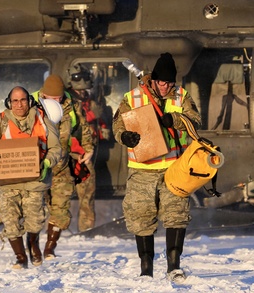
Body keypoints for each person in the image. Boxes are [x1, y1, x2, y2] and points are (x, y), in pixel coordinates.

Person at [112, 52, 201, 281]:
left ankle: (174, 266)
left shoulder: (181, 96)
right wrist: (125, 137)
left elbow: (196, 122)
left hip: (174, 168)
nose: (164, 86)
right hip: (142, 169)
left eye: (169, 82)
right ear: (153, 79)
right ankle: (146, 268)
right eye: (161, 82)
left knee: (176, 215)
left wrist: (175, 120)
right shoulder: (132, 98)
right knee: (140, 218)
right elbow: (117, 126)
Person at [0, 86, 63, 269]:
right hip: (8, 183)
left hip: (34, 182)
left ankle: (33, 244)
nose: (19, 104)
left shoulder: (43, 120)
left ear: (29, 101)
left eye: (23, 100)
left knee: (34, 222)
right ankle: (20, 257)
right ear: (9, 103)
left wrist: (48, 163)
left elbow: (56, 148)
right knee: (10, 221)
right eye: (15, 101)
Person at [33, 74, 88, 259]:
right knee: (32, 208)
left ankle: (49, 248)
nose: (57, 101)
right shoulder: (30, 104)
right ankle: (31, 247)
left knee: (61, 207)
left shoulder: (71, 105)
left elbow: (83, 128)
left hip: (61, 165)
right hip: (36, 166)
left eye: (59, 98)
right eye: (52, 99)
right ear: (43, 95)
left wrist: (88, 148)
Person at [69, 68, 106, 232]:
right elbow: (72, 123)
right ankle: (54, 232)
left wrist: (101, 129)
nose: (82, 89)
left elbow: (98, 126)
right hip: (69, 153)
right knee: (57, 197)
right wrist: (91, 116)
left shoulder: (89, 101)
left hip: (86, 154)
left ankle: (86, 230)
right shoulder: (66, 100)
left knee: (87, 196)